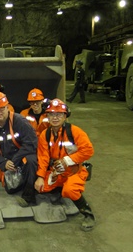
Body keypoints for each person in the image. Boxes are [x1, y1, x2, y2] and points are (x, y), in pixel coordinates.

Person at [34, 98, 95, 231]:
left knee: (70, 190)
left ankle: (88, 214)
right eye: (51, 114)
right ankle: (60, 190)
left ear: (65, 116)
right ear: (47, 116)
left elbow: (89, 150)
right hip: (57, 171)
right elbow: (43, 157)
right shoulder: (45, 134)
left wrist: (67, 160)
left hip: (75, 170)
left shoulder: (75, 132)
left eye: (59, 114)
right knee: (41, 187)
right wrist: (40, 176)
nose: (55, 118)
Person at [0, 92, 38, 206]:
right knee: (11, 189)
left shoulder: (19, 121)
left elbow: (31, 143)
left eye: (1, 108)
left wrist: (15, 160)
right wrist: (3, 163)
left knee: (31, 161)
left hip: (23, 156)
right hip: (7, 160)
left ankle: (29, 196)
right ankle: (24, 181)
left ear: (7, 107)